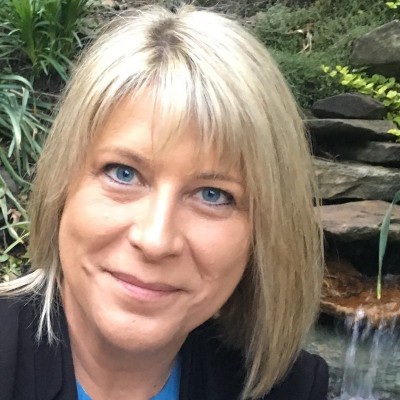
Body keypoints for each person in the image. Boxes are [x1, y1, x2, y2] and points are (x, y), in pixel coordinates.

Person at [0, 5, 328, 400]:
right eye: (123, 173)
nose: (155, 240)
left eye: (213, 195)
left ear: (263, 231)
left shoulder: (291, 389)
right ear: (61, 184)